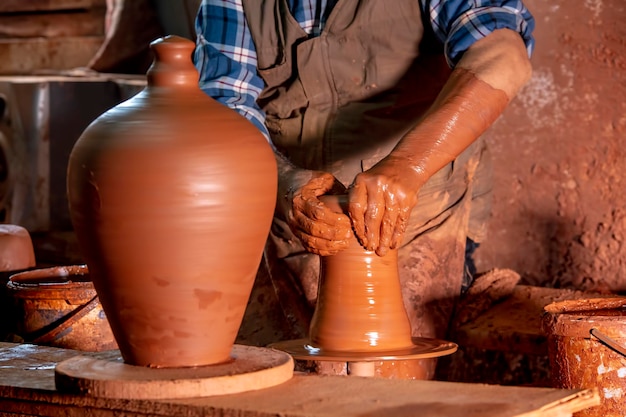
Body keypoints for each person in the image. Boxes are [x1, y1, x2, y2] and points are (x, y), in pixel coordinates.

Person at [193, 0, 534, 378]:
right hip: (290, 212)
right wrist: (283, 183)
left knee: (398, 383)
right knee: (284, 383)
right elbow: (223, 106)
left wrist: (409, 165)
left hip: (420, 212)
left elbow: (503, 54)